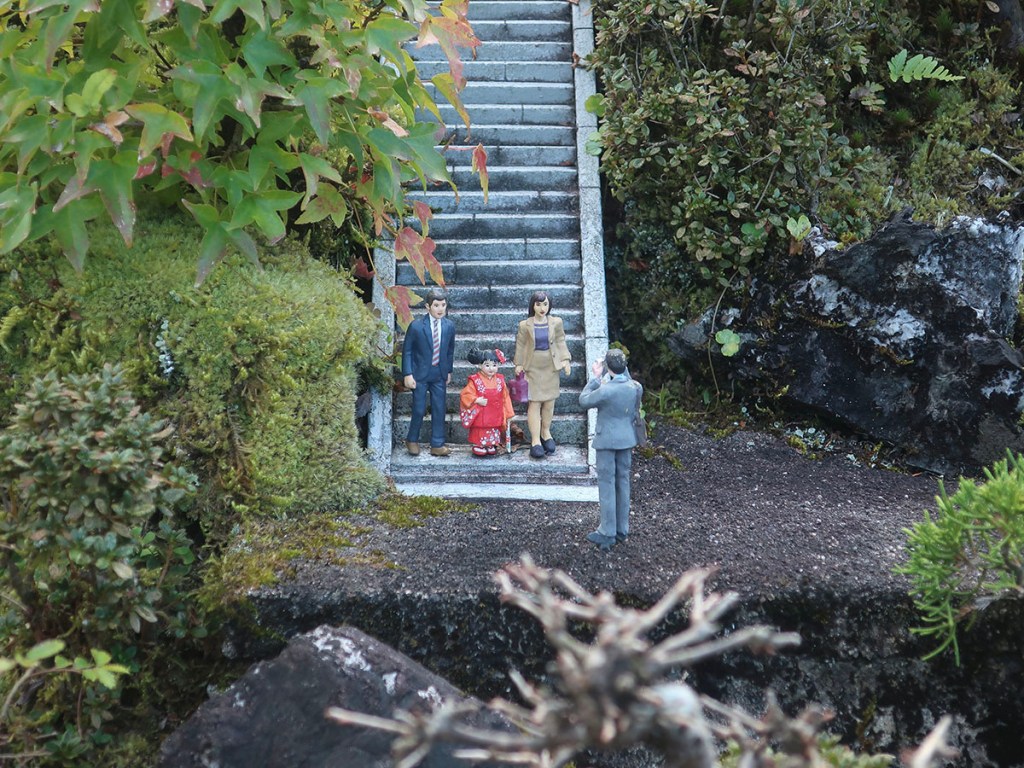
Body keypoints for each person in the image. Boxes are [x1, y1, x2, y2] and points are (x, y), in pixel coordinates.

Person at [578, 349, 643, 551]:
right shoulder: (635, 387)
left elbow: (584, 400)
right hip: (627, 439)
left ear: (608, 367)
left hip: (607, 441)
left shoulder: (606, 390)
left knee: (606, 485)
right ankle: (622, 528)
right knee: (623, 482)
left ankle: (607, 531)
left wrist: (596, 377)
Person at [514, 291, 571, 459]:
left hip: (551, 367)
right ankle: (535, 440)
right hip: (532, 368)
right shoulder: (525, 325)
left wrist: (566, 360)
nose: (542, 308)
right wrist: (518, 363)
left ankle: (546, 432)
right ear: (532, 306)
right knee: (535, 403)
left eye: (545, 304)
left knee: (549, 402)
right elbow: (521, 344)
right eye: (538, 304)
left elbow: (561, 341)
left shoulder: (556, 322)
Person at [401, 288, 454, 457]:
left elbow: (450, 351)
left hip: (439, 373)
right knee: (419, 408)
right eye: (436, 305)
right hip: (420, 374)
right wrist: (407, 373)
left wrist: (449, 371)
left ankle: (437, 443)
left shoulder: (449, 326)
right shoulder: (416, 326)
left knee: (439, 408)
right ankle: (412, 439)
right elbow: (407, 351)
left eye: (443, 305)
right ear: (427, 306)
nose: (440, 309)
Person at [459, 349, 515, 457]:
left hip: (495, 411)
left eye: (494, 365)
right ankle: (479, 445)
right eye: (487, 365)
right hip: (482, 412)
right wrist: (476, 400)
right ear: (480, 365)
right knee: (481, 429)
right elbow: (465, 394)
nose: (491, 368)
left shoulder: (500, 380)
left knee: (493, 429)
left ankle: (491, 444)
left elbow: (505, 397)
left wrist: (509, 413)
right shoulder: (475, 380)